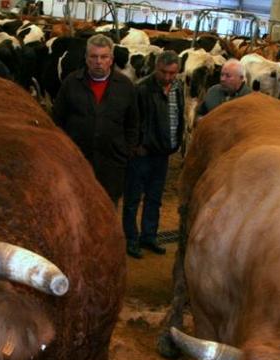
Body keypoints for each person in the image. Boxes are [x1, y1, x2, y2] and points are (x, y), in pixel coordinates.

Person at [52, 34, 138, 206]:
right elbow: (57, 121)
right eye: (94, 56)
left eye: (104, 57)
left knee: (107, 209)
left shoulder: (125, 86)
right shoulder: (71, 83)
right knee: (76, 207)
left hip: (111, 165)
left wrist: (125, 152)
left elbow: (133, 124)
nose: (99, 61)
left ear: (111, 59)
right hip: (77, 162)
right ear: (86, 58)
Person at [122, 50, 184, 259]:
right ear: (156, 68)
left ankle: (149, 236)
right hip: (143, 153)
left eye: (172, 73)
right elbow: (132, 121)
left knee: (154, 198)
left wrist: (175, 143)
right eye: (163, 72)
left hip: (163, 153)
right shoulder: (141, 88)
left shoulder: (178, 88)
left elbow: (178, 116)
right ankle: (131, 239)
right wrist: (137, 145)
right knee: (132, 198)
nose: (167, 77)